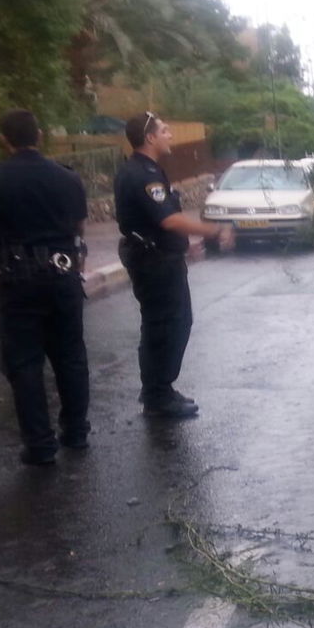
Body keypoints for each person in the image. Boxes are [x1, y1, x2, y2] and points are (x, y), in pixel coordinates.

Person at [0, 110, 90, 465]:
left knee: (24, 363)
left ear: (5, 140)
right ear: (38, 135)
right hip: (63, 277)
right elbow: (79, 228)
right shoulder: (68, 178)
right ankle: (77, 432)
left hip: (18, 283)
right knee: (70, 356)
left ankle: (39, 444)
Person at [114, 111, 232, 418]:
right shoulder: (144, 174)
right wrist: (214, 230)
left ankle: (158, 390)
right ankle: (158, 395)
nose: (170, 135)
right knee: (166, 325)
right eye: (165, 131)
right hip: (154, 264)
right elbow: (168, 218)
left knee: (169, 323)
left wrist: (182, 245)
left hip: (158, 258)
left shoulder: (143, 170)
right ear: (150, 137)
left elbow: (155, 222)